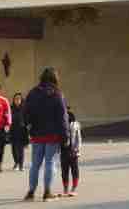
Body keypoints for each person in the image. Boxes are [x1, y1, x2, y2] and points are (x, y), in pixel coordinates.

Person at [24, 67, 68, 201]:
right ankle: (47, 192)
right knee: (50, 162)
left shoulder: (33, 92)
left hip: (37, 134)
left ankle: (31, 191)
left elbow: (25, 113)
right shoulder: (57, 94)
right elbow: (62, 117)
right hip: (53, 135)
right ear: (55, 78)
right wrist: (65, 136)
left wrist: (30, 126)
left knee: (35, 164)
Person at [60, 111, 81, 197]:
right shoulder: (60, 124)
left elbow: (78, 138)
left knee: (74, 169)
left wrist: (77, 149)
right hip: (63, 150)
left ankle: (74, 188)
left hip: (73, 150)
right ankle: (65, 188)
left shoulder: (75, 124)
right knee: (64, 170)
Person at [9, 93, 29, 171]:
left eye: (19, 99)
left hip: (22, 131)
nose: (17, 100)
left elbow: (27, 120)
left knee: (21, 149)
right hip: (13, 131)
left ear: (21, 100)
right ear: (13, 100)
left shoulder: (24, 109)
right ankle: (16, 163)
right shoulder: (11, 108)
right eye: (15, 99)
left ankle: (21, 165)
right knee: (14, 149)